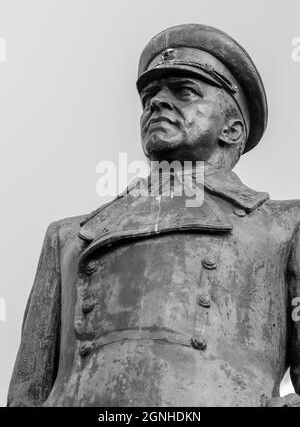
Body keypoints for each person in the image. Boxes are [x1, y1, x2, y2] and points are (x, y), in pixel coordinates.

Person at [7, 24, 300, 407]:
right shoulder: (69, 236)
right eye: (149, 96)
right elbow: (26, 393)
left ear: (231, 128)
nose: (156, 103)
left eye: (183, 91)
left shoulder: (282, 224)